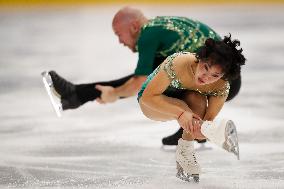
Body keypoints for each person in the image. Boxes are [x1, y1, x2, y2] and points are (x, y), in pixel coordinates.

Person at [43, 7, 242, 145]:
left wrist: (114, 94)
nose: (120, 41)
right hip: (226, 74)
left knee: (150, 78)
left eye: (118, 33)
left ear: (134, 27)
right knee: (157, 73)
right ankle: (75, 95)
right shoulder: (159, 27)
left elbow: (140, 83)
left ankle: (75, 95)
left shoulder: (147, 35)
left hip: (221, 81)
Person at [137, 35, 246, 182]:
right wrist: (182, 112)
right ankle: (208, 132)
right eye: (205, 67)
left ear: (224, 76)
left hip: (186, 104)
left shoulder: (221, 87)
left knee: (197, 100)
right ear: (201, 58)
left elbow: (200, 129)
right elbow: (147, 98)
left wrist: (208, 131)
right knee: (186, 108)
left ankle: (185, 153)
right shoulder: (180, 63)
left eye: (215, 75)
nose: (206, 77)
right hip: (153, 101)